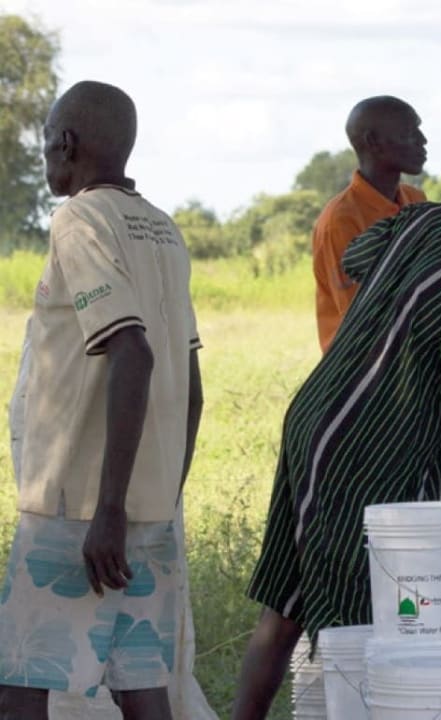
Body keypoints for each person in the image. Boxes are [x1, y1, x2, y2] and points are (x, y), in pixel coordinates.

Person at [231, 147, 441, 719]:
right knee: (363, 620)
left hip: (316, 418)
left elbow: (358, 257)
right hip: (364, 452)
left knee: (286, 606)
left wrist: (411, 301)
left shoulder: (427, 219)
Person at [0, 81, 203, 720]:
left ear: (66, 142)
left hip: (76, 506)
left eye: (45, 143)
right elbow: (191, 384)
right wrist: (161, 496)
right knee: (140, 683)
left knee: (19, 683)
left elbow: (132, 352)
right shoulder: (162, 230)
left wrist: (106, 508)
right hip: (147, 508)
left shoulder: (79, 219)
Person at [313, 96, 428, 353]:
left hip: (409, 354)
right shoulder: (340, 221)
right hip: (361, 367)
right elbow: (363, 319)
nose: (423, 141)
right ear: (373, 143)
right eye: (410, 133)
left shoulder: (415, 200)